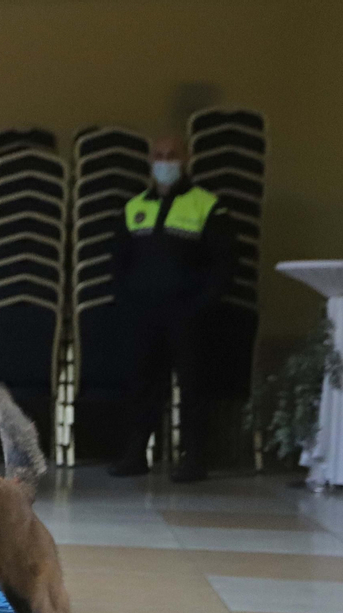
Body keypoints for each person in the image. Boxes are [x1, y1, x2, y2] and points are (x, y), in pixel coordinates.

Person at [108, 134, 235, 483]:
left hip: (189, 314)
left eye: (172, 155)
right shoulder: (134, 207)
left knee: (193, 386)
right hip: (143, 314)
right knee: (142, 386)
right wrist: (126, 301)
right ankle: (135, 455)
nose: (165, 162)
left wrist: (202, 304)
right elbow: (119, 262)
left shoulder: (206, 205)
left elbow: (223, 264)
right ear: (150, 162)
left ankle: (193, 459)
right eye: (159, 155)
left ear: (186, 159)